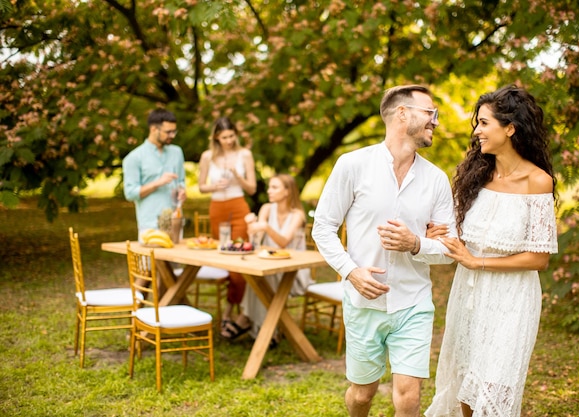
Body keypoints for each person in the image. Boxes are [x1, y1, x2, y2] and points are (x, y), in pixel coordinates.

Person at [312, 85, 457, 417]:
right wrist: (351, 271)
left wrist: (417, 243)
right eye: (430, 112)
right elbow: (323, 227)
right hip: (364, 301)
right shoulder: (352, 165)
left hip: (414, 301)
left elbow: (449, 246)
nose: (436, 121)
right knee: (362, 395)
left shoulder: (436, 180)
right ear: (402, 113)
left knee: (408, 398)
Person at [424, 85, 558, 417]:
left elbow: (538, 258)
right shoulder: (476, 176)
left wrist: (477, 261)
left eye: (484, 123)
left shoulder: (537, 181)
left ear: (510, 128)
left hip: (512, 300)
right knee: (466, 385)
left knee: (494, 387)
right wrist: (441, 235)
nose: (477, 131)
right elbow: (461, 237)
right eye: (477, 123)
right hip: (468, 297)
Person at [220, 173, 313, 343]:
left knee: (263, 278)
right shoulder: (267, 208)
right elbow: (256, 237)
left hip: (293, 269)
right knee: (258, 275)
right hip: (269, 263)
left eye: (274, 187)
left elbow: (284, 242)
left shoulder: (297, 215)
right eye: (270, 186)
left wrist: (265, 226)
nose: (269, 191)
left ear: (287, 192)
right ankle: (267, 330)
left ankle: (249, 321)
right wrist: (251, 225)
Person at [198, 116, 257, 329]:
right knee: (222, 257)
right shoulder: (207, 157)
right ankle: (240, 310)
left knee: (239, 261)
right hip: (217, 208)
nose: (229, 140)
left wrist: (235, 176)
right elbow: (200, 187)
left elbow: (252, 188)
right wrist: (215, 186)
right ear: (216, 137)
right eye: (224, 137)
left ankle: (230, 311)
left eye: (232, 136)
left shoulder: (244, 154)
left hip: (238, 206)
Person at [123, 109, 186, 240]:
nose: (172, 135)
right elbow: (130, 193)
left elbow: (181, 181)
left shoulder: (177, 152)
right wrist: (158, 183)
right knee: (150, 261)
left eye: (174, 131)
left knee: (175, 260)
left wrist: (182, 190)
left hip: (175, 222)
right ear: (153, 129)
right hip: (150, 225)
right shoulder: (134, 157)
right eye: (168, 132)